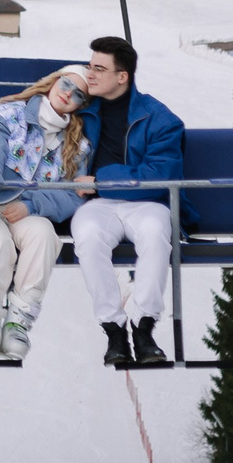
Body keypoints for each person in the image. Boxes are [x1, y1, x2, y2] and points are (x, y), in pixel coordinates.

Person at [0, 64, 91, 364]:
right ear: (53, 82)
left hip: (24, 212)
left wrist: (30, 206)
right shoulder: (11, 114)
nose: (68, 94)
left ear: (82, 104)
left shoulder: (76, 143)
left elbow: (72, 195)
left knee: (43, 235)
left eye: (78, 94)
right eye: (66, 84)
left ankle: (19, 321)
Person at [68, 35, 186, 368]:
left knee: (153, 233)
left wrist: (102, 181)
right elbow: (38, 109)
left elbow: (160, 176)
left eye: (99, 69)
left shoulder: (159, 119)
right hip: (97, 206)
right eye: (90, 66)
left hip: (146, 201)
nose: (90, 75)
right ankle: (114, 329)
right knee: (88, 237)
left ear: (123, 76)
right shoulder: (82, 109)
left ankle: (144, 327)